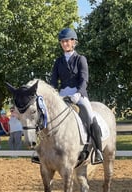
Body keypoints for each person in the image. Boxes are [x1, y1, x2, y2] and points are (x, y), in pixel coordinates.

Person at [50, 27, 103, 164]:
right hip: (62, 95)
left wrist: (78, 94)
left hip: (79, 94)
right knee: (46, 117)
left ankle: (98, 151)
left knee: (91, 117)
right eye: (62, 41)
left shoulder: (81, 59)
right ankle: (41, 151)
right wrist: (53, 95)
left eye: (67, 41)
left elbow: (84, 79)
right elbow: (53, 81)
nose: (64, 43)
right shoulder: (58, 62)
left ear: (74, 42)